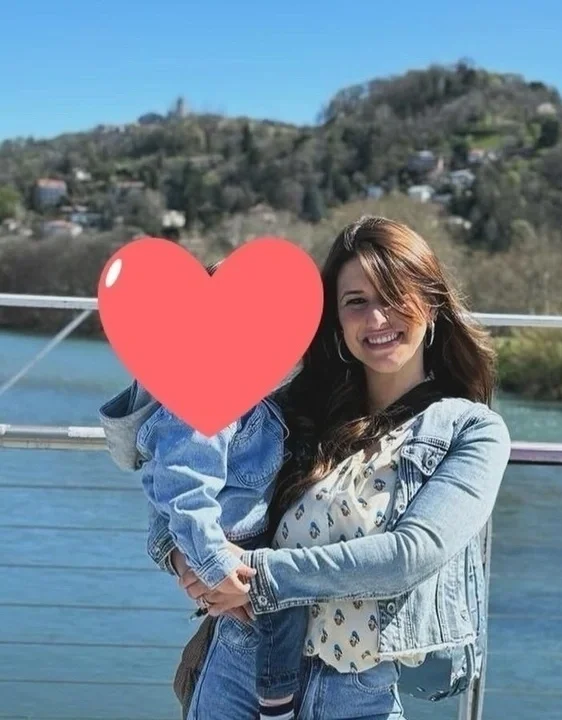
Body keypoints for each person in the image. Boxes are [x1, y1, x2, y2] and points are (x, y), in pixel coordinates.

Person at [103, 216, 511, 720]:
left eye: (394, 295)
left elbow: (410, 555)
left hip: (359, 691)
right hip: (240, 662)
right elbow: (177, 466)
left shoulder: (471, 431)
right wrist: (183, 556)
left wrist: (256, 575)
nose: (377, 318)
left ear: (431, 304)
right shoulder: (295, 408)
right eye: (356, 301)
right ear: (336, 319)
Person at [99, 261, 307, 720]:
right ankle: (277, 705)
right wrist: (212, 566)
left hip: (238, 544)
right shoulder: (203, 401)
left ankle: (277, 702)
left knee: (278, 617)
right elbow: (184, 491)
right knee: (277, 615)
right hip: (232, 546)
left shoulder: (255, 396)